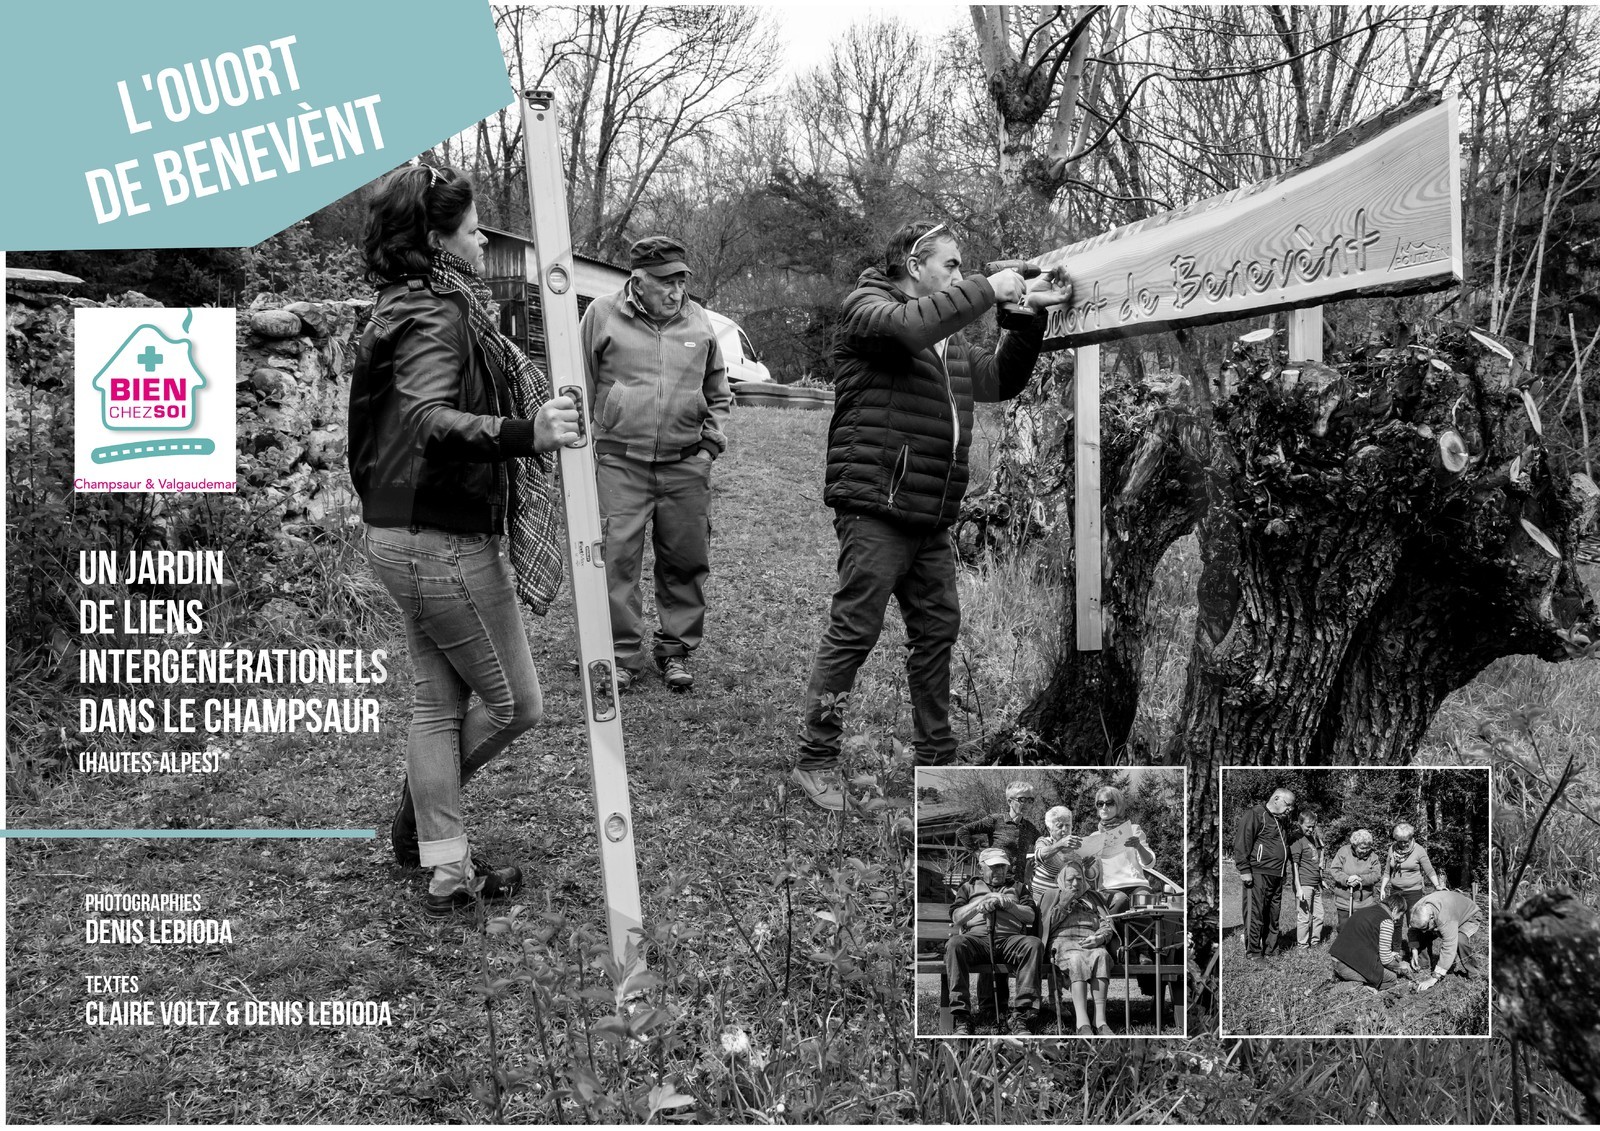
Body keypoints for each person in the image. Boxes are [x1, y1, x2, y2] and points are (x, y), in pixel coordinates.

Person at [349, 163, 582, 919]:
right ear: (436, 238)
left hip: (398, 528)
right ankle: (424, 815)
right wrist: (526, 430)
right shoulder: (437, 315)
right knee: (517, 702)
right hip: (440, 536)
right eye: (472, 225)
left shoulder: (403, 304)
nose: (483, 235)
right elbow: (424, 419)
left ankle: (445, 866)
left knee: (435, 705)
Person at [789, 221, 1071, 809]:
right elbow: (910, 326)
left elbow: (999, 381)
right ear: (914, 265)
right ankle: (815, 759)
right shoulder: (868, 311)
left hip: (931, 512)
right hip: (876, 506)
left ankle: (936, 761)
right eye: (951, 265)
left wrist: (1024, 316)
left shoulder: (946, 341)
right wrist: (990, 288)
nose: (959, 275)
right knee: (855, 630)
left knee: (937, 631)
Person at [580, 235, 732, 693]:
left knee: (685, 560)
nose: (676, 291)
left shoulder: (699, 320)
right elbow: (579, 385)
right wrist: (579, 451)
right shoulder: (602, 315)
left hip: (685, 464)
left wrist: (708, 449)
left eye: (682, 281)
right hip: (621, 463)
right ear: (638, 281)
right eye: (666, 282)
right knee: (615, 561)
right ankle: (622, 655)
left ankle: (675, 651)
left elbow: (719, 392)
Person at [945, 847, 1042, 1036]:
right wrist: (984, 901)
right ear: (981, 869)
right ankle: (962, 1017)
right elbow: (957, 917)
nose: (999, 871)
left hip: (1010, 940)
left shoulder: (1019, 887)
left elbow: (1030, 916)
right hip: (977, 940)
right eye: (993, 867)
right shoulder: (968, 887)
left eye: (1002, 867)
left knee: (1033, 944)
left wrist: (1010, 905)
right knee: (955, 944)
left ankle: (1020, 1015)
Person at [1044, 861, 1116, 1035]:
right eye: (1070, 879)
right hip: (1062, 941)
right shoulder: (1052, 895)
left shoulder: (1093, 897)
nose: (1075, 884)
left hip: (1090, 940)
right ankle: (1082, 1022)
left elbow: (1106, 924)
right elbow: (1046, 926)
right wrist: (1062, 904)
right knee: (1076, 959)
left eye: (1079, 878)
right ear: (1061, 879)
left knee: (1101, 955)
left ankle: (1100, 1021)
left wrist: (1100, 937)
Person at [1232, 787, 1295, 957]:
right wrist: (1244, 870)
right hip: (1258, 873)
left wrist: (1283, 873)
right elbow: (1242, 842)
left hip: (1277, 875)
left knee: (1273, 915)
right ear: (1276, 799)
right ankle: (1253, 952)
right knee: (1255, 914)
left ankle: (1271, 950)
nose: (1290, 809)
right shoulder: (1256, 814)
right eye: (1288, 805)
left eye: (1291, 807)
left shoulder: (1280, 821)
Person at [1075, 785, 1156, 913]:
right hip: (1108, 888)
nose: (1104, 807)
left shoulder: (1133, 829)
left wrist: (1139, 847)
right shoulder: (1094, 837)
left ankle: (1139, 934)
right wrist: (1087, 867)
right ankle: (1117, 934)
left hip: (1138, 885)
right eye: (1100, 804)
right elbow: (1092, 875)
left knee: (1145, 901)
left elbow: (1149, 863)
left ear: (1118, 806)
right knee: (1120, 900)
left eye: (1109, 803)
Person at [1379, 822, 1441, 964]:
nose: (1403, 845)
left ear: (1411, 838)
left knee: (1415, 923)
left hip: (1414, 892)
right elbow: (1387, 871)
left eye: (1406, 842)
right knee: (1395, 922)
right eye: (1400, 842)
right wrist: (1383, 888)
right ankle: (1396, 951)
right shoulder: (1392, 849)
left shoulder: (1419, 850)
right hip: (1396, 891)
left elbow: (1429, 870)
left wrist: (1437, 885)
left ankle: (1420, 957)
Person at [956, 781, 1043, 881]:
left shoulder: (1030, 828)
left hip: (1019, 884)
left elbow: (1044, 843)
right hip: (997, 881)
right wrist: (977, 853)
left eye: (1030, 800)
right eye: (1022, 799)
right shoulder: (995, 820)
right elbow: (962, 831)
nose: (1027, 804)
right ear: (1010, 802)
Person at [1328, 892, 1410, 992]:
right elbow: (1386, 960)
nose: (1397, 920)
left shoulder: (1364, 911)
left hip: (1336, 959)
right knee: (1392, 979)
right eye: (1400, 916)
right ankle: (1357, 987)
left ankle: (1346, 977)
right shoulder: (1387, 921)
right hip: (1347, 966)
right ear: (1395, 910)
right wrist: (1401, 965)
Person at [1409, 889, 1483, 987]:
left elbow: (1449, 947)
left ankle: (1474, 974)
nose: (1423, 930)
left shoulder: (1445, 917)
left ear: (1431, 918)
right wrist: (1414, 949)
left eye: (1425, 927)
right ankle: (1422, 964)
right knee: (1421, 934)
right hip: (1450, 913)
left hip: (1469, 916)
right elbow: (1413, 930)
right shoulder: (1417, 909)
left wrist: (1433, 978)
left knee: (1460, 941)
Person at [1327, 828, 1386, 931]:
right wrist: (1347, 879)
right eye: (1362, 848)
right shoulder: (1343, 851)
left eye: (1368, 848)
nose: (1365, 851)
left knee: (1364, 929)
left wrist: (1360, 879)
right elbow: (1335, 870)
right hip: (1344, 900)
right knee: (1344, 928)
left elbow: (1376, 875)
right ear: (1354, 845)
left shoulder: (1373, 857)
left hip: (1365, 901)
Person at [1289, 809, 1327, 949]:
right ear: (1300, 823)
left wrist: (1321, 879)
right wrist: (1298, 887)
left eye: (1313, 826)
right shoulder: (1296, 839)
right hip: (1304, 883)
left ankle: (1315, 942)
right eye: (1308, 826)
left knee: (1319, 915)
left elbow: (1315, 861)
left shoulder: (1313, 838)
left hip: (1315, 883)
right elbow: (1295, 864)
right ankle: (1302, 946)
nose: (1311, 829)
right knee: (1304, 917)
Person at [1031, 805, 1080, 902]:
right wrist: (1061, 844)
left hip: (1066, 899)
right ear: (1049, 829)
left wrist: (1084, 867)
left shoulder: (1076, 847)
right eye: (1060, 826)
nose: (1065, 830)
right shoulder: (1044, 842)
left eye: (1068, 825)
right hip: (1042, 899)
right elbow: (1039, 855)